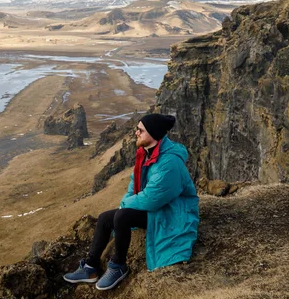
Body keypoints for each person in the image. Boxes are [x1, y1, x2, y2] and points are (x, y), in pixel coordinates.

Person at [64, 113, 200, 290]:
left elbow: (152, 199)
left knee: (122, 216)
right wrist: (125, 202)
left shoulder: (170, 163)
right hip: (157, 208)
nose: (136, 133)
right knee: (105, 218)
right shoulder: (146, 153)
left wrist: (124, 206)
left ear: (153, 133)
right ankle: (90, 268)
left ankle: (118, 266)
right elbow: (133, 185)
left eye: (140, 130)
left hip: (171, 212)